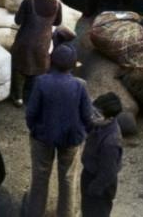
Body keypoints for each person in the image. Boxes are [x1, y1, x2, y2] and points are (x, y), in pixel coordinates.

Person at [24, 43, 94, 217]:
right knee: (69, 179)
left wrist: (35, 129)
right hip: (71, 139)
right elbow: (87, 116)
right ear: (73, 65)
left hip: (42, 138)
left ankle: (35, 213)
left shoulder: (41, 82)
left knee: (40, 178)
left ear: (52, 61)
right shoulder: (80, 85)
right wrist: (83, 133)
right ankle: (67, 213)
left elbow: (31, 113)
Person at [11, 0, 63, 106]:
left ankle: (18, 97)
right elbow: (57, 22)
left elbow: (18, 21)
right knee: (39, 68)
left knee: (19, 67)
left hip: (24, 43)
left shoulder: (28, 3)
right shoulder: (57, 5)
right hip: (42, 45)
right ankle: (33, 96)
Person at [81, 92, 125, 216]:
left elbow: (108, 173)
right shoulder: (100, 124)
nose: (92, 116)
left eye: (97, 115)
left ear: (110, 118)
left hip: (99, 186)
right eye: (93, 111)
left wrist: (93, 190)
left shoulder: (110, 143)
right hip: (90, 175)